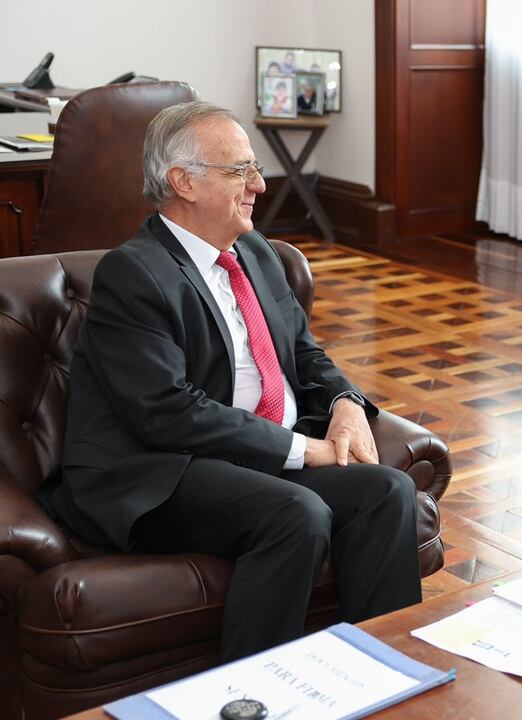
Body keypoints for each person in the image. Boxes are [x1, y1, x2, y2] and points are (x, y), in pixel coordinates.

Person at [39, 102, 423, 662]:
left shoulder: (257, 253)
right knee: (298, 513)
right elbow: (166, 411)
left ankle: (378, 673)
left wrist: (344, 403)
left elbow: (304, 351)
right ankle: (251, 697)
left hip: (253, 458)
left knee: (389, 490)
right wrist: (303, 450)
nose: (260, 185)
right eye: (239, 170)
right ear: (183, 182)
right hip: (166, 468)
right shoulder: (134, 273)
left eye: (255, 168)